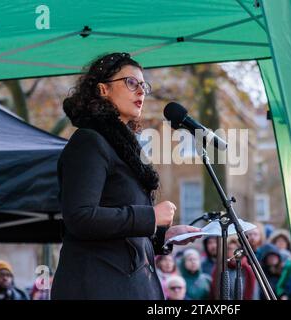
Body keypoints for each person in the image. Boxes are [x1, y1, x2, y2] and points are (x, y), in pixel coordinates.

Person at [50, 52, 200, 300]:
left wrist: (164, 235)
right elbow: (80, 217)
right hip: (97, 287)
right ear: (103, 89)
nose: (141, 91)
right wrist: (150, 216)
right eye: (131, 82)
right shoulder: (89, 141)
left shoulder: (123, 147)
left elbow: (121, 235)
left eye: (143, 85)